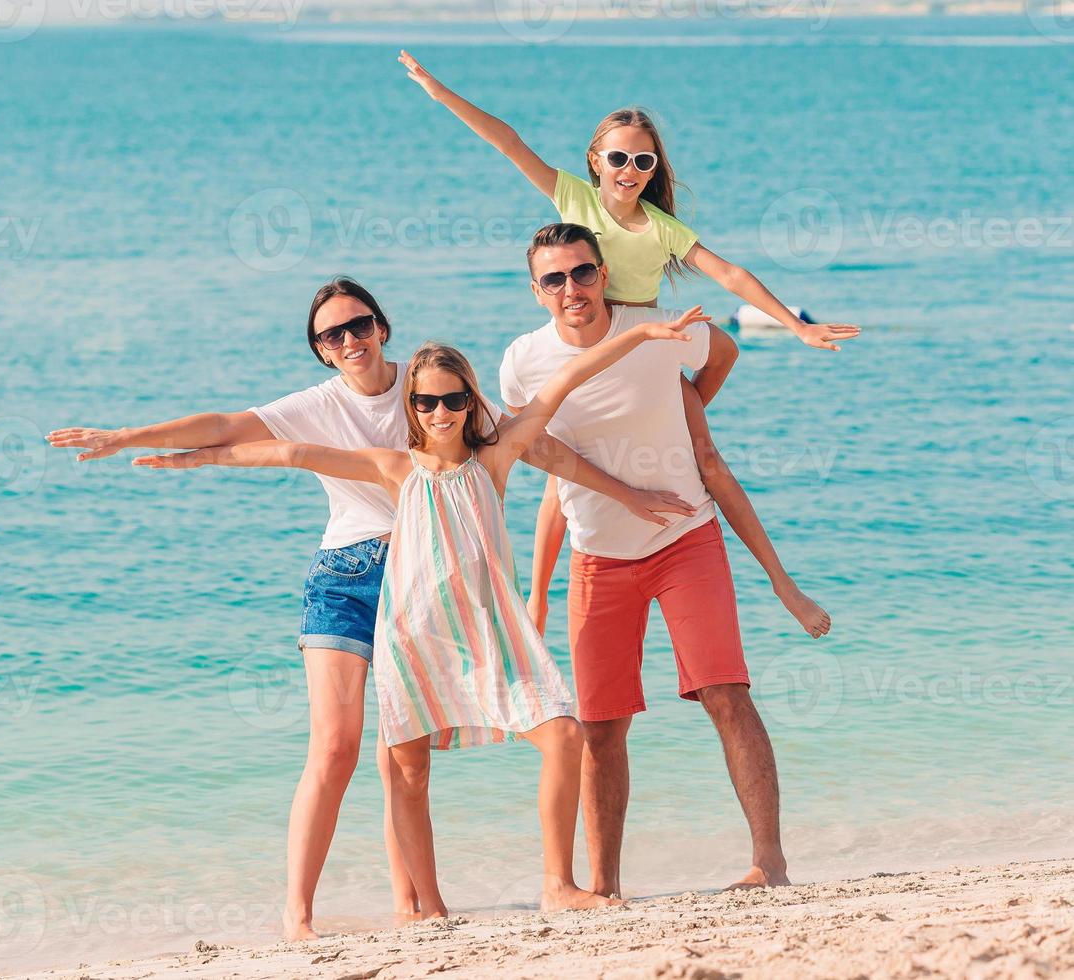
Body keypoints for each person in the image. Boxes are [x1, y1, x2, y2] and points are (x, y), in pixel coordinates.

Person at [47, 277, 693, 938]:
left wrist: (640, 335)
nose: (440, 411)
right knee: (364, 756)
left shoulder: (475, 436)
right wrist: (176, 453)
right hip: (377, 601)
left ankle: (494, 893)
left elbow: (556, 398)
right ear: (324, 351)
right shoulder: (380, 452)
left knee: (504, 743)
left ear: (385, 328)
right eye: (333, 334)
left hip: (459, 613)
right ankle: (354, 912)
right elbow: (283, 450)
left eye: (359, 326)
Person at [396, 50, 842, 639]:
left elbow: (729, 278)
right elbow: (508, 142)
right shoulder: (575, 200)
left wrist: (793, 327)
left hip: (648, 352)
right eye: (617, 157)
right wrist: (439, 91)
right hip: (590, 346)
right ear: (595, 161)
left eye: (643, 159)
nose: (629, 169)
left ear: (653, 167)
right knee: (561, 472)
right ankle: (538, 602)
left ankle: (784, 584)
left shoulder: (661, 227)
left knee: (709, 465)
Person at [500, 223, 793, 896]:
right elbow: (551, 477)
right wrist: (538, 593)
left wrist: (687, 405)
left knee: (726, 692)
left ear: (603, 273)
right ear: (536, 290)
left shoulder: (659, 327)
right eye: (554, 279)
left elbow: (725, 351)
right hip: (596, 557)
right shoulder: (522, 362)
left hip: (685, 537)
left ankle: (769, 864)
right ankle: (603, 887)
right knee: (601, 727)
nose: (571, 288)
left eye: (581, 272)